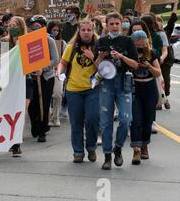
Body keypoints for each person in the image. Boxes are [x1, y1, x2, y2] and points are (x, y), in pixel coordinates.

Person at [95, 12, 139, 171]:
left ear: (121, 24)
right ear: (106, 25)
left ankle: (118, 147)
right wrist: (99, 58)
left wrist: (121, 57)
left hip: (123, 82)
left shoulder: (128, 41)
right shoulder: (101, 41)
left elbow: (135, 65)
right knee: (106, 122)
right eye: (111, 24)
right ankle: (107, 156)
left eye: (117, 23)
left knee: (126, 119)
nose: (114, 26)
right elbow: (95, 66)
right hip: (106, 83)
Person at [58, 19, 100, 163]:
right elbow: (62, 64)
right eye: (83, 30)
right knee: (76, 122)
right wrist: (60, 74)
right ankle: (78, 152)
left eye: (89, 30)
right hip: (73, 89)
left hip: (93, 89)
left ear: (93, 31)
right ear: (79, 31)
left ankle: (91, 147)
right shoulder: (72, 47)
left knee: (93, 119)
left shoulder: (99, 45)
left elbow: (105, 68)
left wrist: (93, 57)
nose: (86, 33)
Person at [130, 30, 161, 165]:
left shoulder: (151, 53)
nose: (140, 46)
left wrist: (148, 66)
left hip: (149, 89)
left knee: (148, 120)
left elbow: (158, 72)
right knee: (136, 119)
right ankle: (136, 149)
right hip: (134, 88)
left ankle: (144, 145)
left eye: (143, 42)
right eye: (137, 43)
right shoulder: (130, 53)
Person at [26, 16, 59, 143]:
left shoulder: (49, 40)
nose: (35, 28)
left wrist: (43, 68)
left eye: (39, 26)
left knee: (43, 104)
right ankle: (35, 124)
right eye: (33, 26)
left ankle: (42, 130)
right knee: (32, 105)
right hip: (31, 77)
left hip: (46, 77)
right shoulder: (26, 40)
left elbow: (55, 59)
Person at [0, 16, 28, 156]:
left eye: (15, 24)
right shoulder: (4, 41)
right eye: (10, 25)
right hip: (10, 80)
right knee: (9, 110)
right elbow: (1, 60)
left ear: (21, 26)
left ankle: (17, 143)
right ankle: (9, 139)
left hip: (26, 80)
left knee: (21, 111)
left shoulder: (28, 41)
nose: (12, 27)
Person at [47, 21, 67, 128]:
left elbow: (65, 58)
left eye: (57, 30)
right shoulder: (45, 41)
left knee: (58, 93)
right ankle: (49, 116)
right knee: (48, 95)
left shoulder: (62, 43)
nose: (55, 32)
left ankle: (56, 116)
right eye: (53, 30)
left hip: (58, 71)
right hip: (47, 71)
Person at [155, 15, 172, 110]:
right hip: (155, 60)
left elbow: (165, 49)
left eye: (159, 21)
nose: (157, 23)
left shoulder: (164, 32)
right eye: (156, 21)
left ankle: (165, 98)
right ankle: (160, 101)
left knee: (165, 80)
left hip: (166, 61)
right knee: (157, 80)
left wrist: (162, 57)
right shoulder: (150, 33)